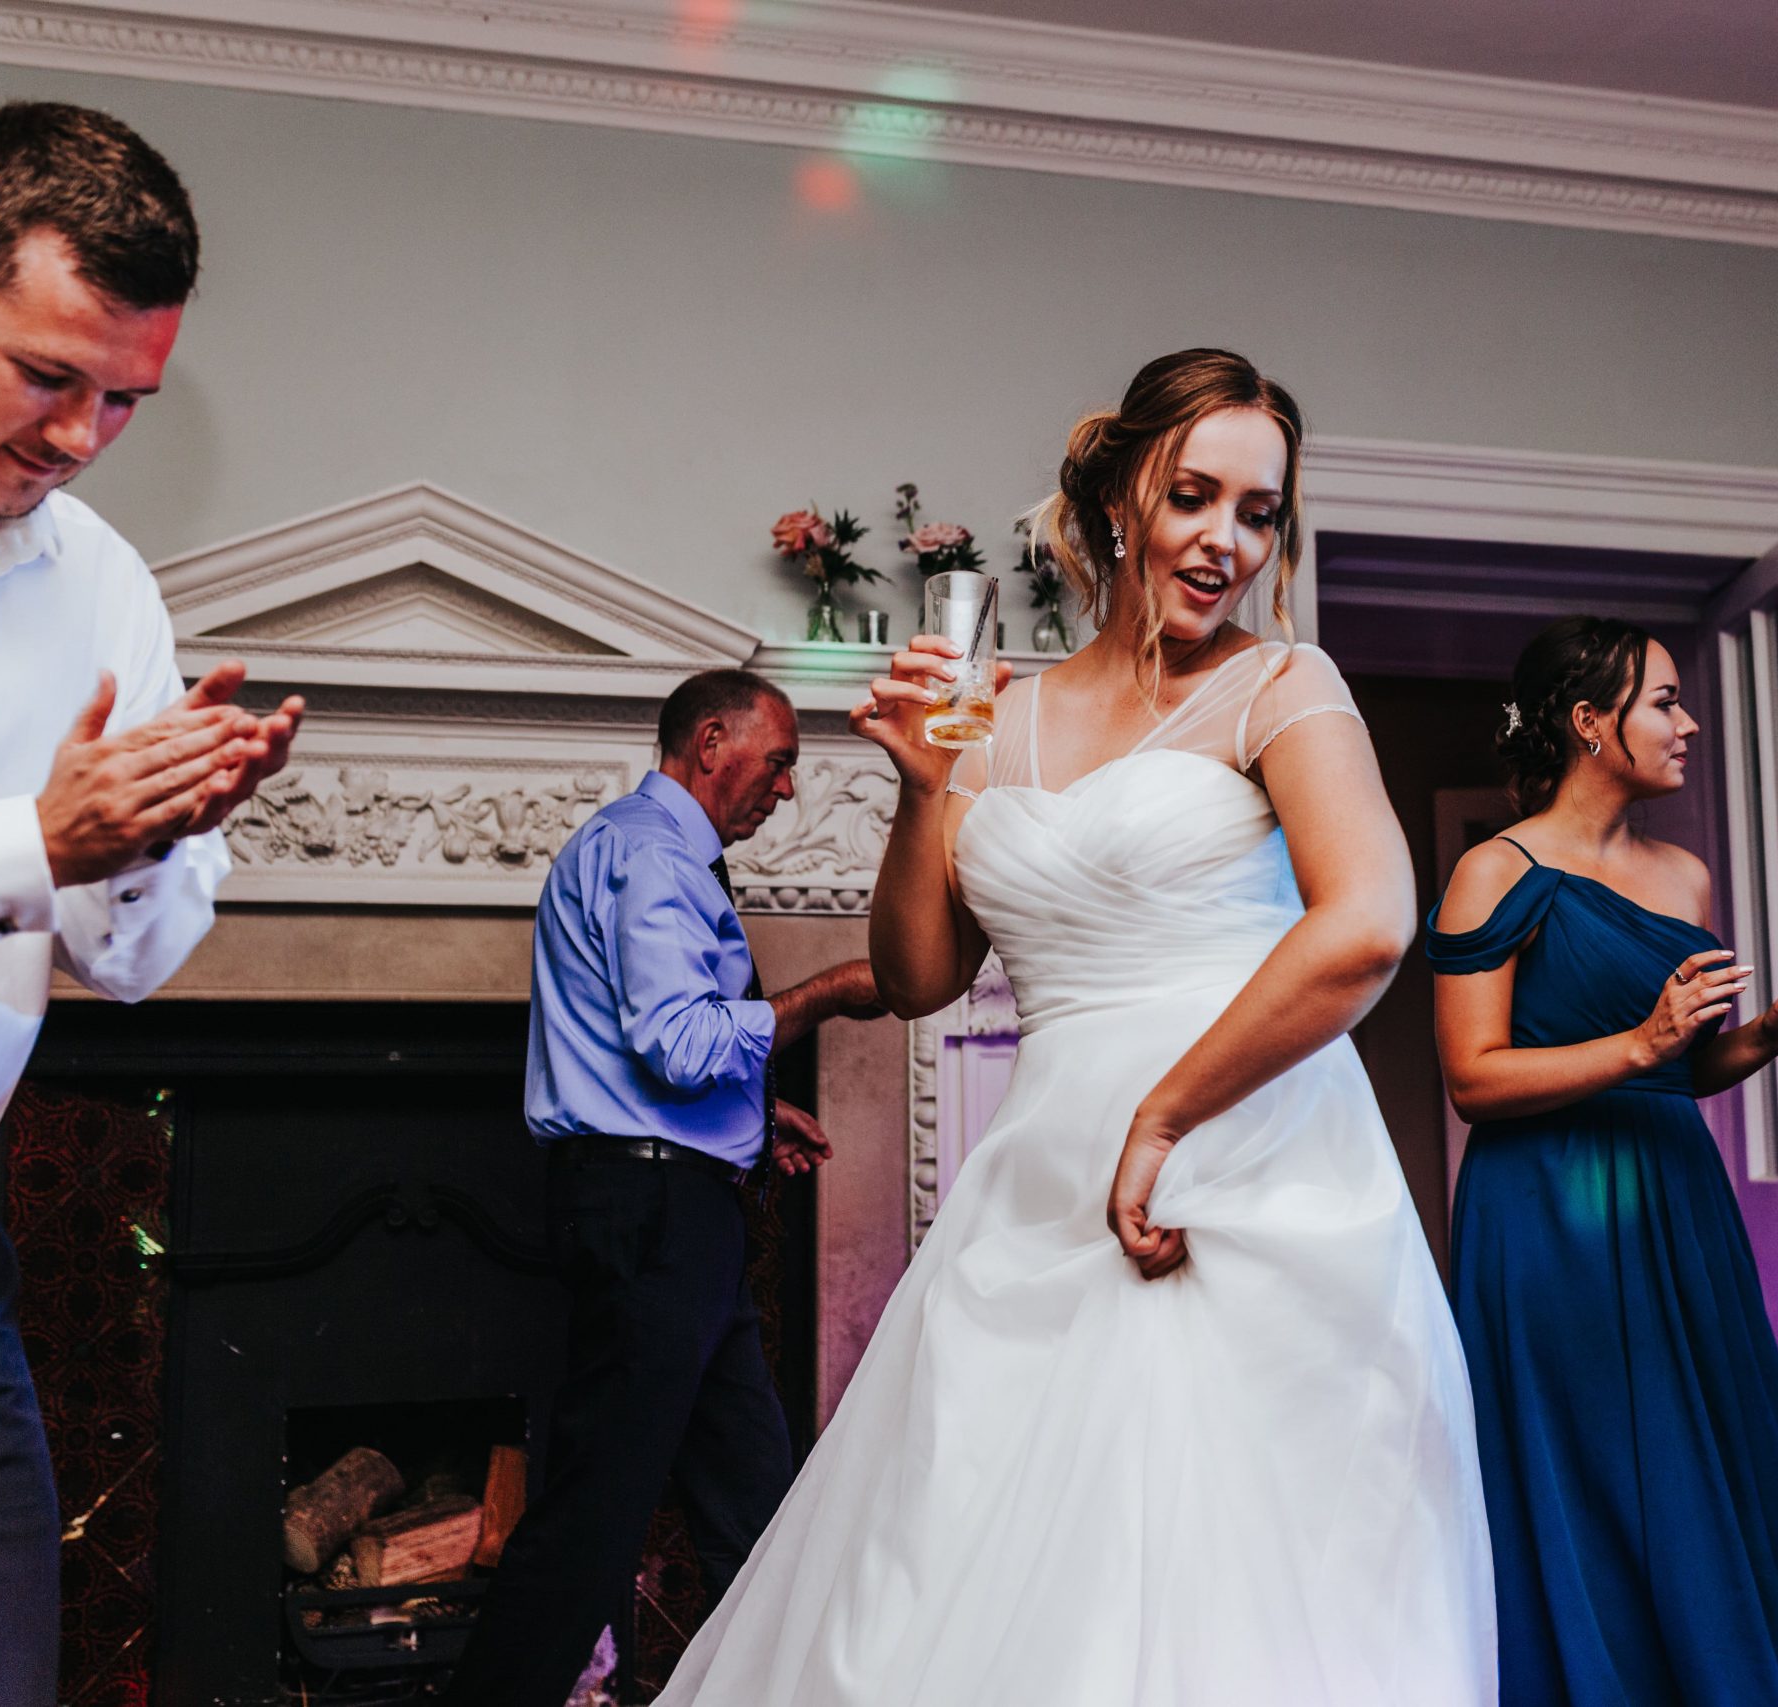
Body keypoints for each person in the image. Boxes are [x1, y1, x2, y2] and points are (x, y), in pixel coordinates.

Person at [655, 349, 1494, 1706]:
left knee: (1246, 1589)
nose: (1226, 539)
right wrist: (926, 790)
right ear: (1117, 500)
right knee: (975, 1579)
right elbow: (921, 975)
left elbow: (1369, 926)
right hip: (1042, 1188)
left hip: (1247, 1170)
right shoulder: (997, 714)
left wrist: (1162, 1115)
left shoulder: (1284, 687)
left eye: (1260, 511)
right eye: (1194, 495)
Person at [0, 102, 302, 1707]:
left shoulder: (101, 582)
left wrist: (152, 833)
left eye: (126, 399)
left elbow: (135, 961)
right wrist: (35, 838)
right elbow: (33, 856)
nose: (81, 435)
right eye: (48, 376)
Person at [1429, 616, 1778, 1706]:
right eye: (1664, 703)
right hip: (1542, 1213)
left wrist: (1765, 1040)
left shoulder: (1684, 876)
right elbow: (1473, 1078)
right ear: (1590, 723)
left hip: (1676, 1196)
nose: (1687, 724)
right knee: (1584, 1466)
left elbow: (1673, 1075)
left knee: (1700, 1456)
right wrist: (1641, 1039)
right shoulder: (1492, 873)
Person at [446, 669, 882, 1707]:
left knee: (757, 1506)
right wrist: (827, 994)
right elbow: (679, 1044)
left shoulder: (633, 848)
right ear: (712, 741)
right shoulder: (653, 856)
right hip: (652, 1220)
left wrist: (748, 1117)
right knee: (595, 1513)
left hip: (672, 1210)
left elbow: (629, 1046)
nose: (785, 790)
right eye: (777, 763)